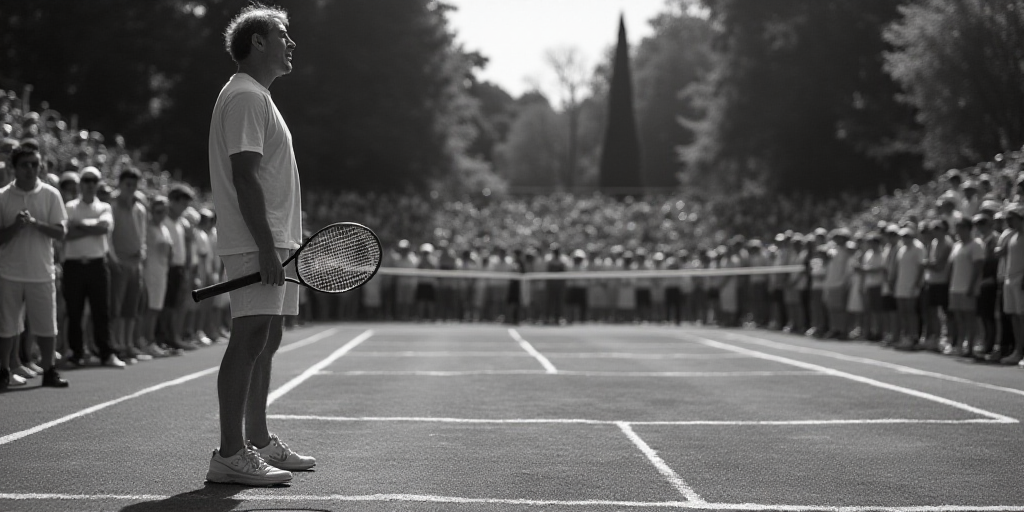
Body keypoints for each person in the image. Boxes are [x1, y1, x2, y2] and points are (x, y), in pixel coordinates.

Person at [205, 3, 312, 486]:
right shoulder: (247, 97)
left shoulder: (258, 97)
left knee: (267, 339)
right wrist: (268, 247)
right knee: (248, 338)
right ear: (258, 42)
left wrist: (283, 241)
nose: (291, 43)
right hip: (258, 241)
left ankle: (258, 440)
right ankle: (231, 452)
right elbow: (244, 178)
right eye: (282, 34)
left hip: (274, 241)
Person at [0, 143, 69, 389]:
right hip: (9, 272)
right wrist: (15, 227)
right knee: (6, 325)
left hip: (41, 271)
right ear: (14, 168)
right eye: (25, 165)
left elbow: (61, 232)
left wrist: (36, 224)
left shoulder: (51, 194)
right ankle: (3, 371)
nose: (31, 169)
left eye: (35, 164)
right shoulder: (3, 197)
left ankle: (49, 369)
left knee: (47, 325)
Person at [63, 166, 123, 368]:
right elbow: (66, 233)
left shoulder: (105, 207)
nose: (89, 184)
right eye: (86, 180)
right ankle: (76, 353)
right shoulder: (69, 206)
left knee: (101, 311)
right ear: (81, 183)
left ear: (98, 184)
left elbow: (104, 228)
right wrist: (92, 228)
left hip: (97, 265)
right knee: (74, 312)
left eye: (93, 180)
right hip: (73, 265)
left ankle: (106, 353)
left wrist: (79, 225)